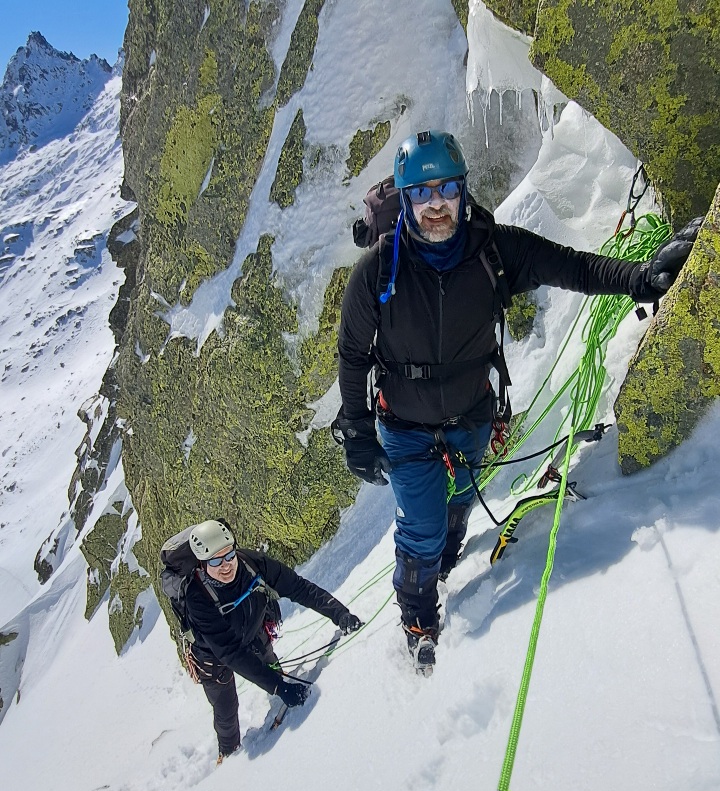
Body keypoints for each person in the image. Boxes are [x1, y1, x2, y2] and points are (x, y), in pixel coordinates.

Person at [334, 129, 701, 672]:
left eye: (446, 190)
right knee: (421, 527)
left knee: (457, 505)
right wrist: (360, 431)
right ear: (406, 202)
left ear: (462, 190)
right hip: (405, 426)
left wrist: (641, 279)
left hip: (473, 417)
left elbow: (572, 267)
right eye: (421, 193)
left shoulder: (495, 251)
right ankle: (418, 617)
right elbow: (352, 353)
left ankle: (448, 553)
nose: (436, 204)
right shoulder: (379, 272)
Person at [183, 519, 362, 763]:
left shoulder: (252, 564)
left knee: (271, 667)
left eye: (229, 555)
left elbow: (298, 587)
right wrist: (280, 688)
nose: (225, 566)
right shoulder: (197, 597)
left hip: (253, 631)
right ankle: (228, 755)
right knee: (225, 709)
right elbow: (231, 653)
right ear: (202, 564)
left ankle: (278, 691)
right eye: (215, 561)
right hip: (213, 657)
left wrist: (339, 613)